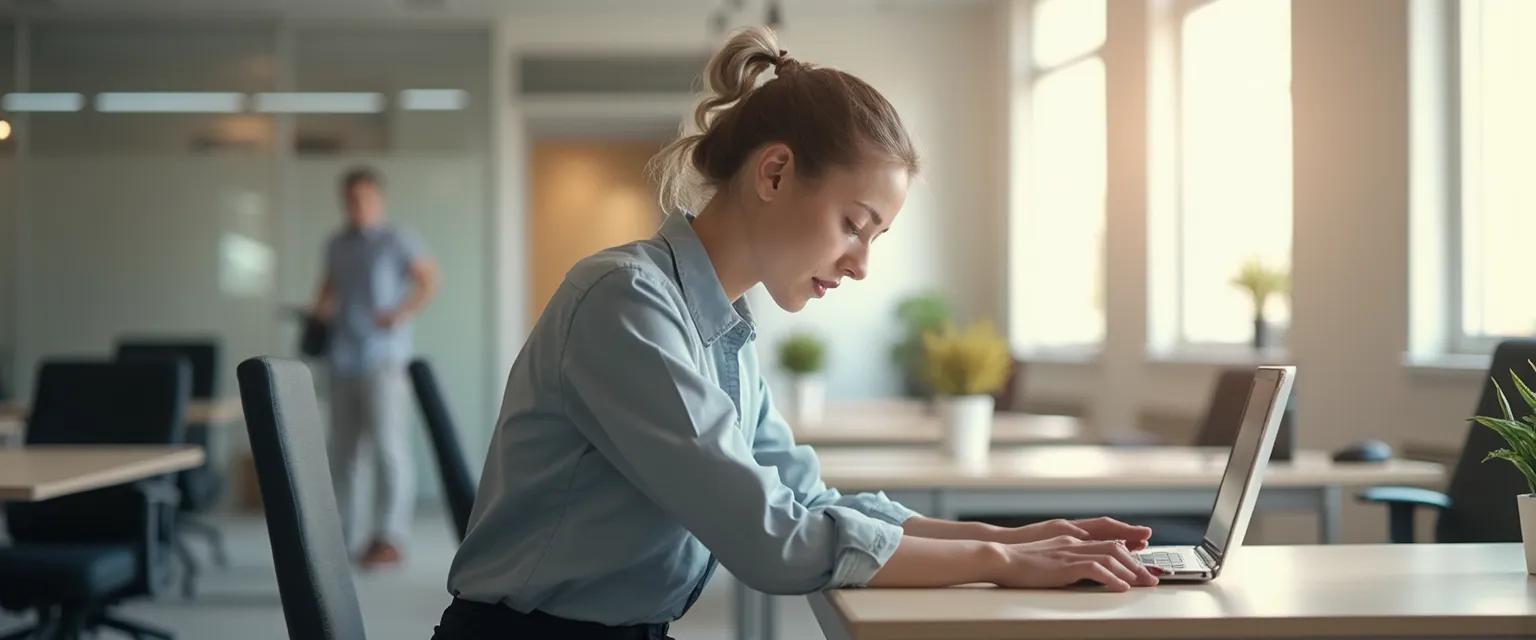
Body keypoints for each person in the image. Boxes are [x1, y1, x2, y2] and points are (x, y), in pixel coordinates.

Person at [432, 27, 1158, 639]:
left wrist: (1008, 537)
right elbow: (772, 541)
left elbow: (806, 500)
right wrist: (1002, 566)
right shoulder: (625, 303)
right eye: (854, 225)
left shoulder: (721, 328)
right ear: (774, 173)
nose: (861, 264)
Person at [310, 167, 439, 570]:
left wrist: (400, 314)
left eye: (364, 199)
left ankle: (389, 537)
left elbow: (429, 280)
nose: (357, 206)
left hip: (383, 358)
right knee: (344, 453)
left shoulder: (396, 239)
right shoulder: (336, 243)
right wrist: (317, 317)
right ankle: (343, 535)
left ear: (378, 200)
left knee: (388, 447)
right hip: (343, 358)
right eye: (350, 199)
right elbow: (329, 287)